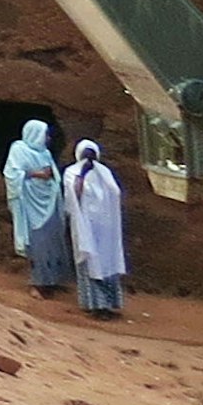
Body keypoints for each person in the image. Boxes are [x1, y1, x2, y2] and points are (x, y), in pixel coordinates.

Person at [64, 137, 128, 319]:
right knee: (106, 263)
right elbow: (116, 194)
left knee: (91, 261)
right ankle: (106, 305)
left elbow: (71, 200)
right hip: (106, 228)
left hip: (87, 227)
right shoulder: (105, 172)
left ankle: (96, 305)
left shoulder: (72, 172)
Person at [4, 118, 69, 296]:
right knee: (37, 245)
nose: (47, 138)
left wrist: (48, 177)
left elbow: (53, 175)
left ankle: (52, 280)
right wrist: (36, 174)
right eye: (45, 134)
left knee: (52, 243)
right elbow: (12, 174)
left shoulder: (45, 153)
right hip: (30, 205)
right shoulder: (18, 149)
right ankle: (37, 283)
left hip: (49, 204)